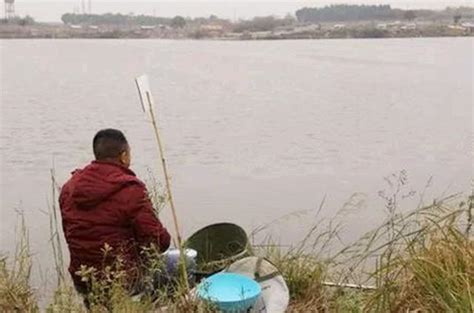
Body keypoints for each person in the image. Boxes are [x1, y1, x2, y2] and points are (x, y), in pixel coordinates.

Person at [59, 128, 171, 299]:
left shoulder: (68, 188)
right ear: (124, 156)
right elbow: (158, 242)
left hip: (83, 280)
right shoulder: (130, 189)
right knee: (177, 263)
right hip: (122, 281)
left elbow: (70, 233)